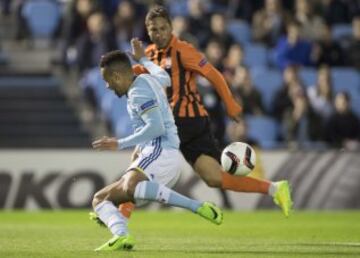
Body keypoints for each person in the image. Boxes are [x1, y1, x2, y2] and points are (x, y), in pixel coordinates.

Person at [92, 6, 292, 230]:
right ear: (148, 32)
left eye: (163, 28)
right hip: (174, 122)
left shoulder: (183, 50)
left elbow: (213, 74)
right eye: (154, 30)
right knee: (213, 177)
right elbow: (140, 77)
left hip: (189, 119)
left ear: (172, 27)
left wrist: (230, 102)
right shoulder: (149, 55)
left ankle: (121, 217)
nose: (159, 33)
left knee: (140, 155)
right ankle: (275, 188)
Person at [90, 40, 223, 251]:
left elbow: (157, 127)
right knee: (100, 199)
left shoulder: (137, 93)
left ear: (116, 76)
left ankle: (197, 207)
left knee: (129, 185)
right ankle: (121, 235)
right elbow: (165, 77)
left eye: (107, 80)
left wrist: (120, 143)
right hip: (157, 154)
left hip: (161, 150)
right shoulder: (146, 78)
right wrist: (143, 59)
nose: (107, 86)